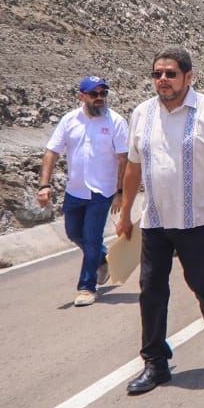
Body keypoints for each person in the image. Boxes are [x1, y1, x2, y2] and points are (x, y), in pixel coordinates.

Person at [117, 47, 204, 395]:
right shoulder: (142, 113)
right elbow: (133, 167)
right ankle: (155, 361)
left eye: (170, 74)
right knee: (151, 291)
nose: (163, 80)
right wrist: (126, 213)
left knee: (201, 282)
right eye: (157, 74)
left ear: (188, 77)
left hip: (199, 220)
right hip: (155, 219)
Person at [38, 75, 129, 306]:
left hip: (102, 191)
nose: (100, 98)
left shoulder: (115, 121)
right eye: (94, 94)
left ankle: (87, 287)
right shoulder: (69, 120)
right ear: (82, 96)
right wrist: (44, 185)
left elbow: (124, 158)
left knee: (91, 236)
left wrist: (120, 192)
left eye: (103, 94)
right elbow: (51, 152)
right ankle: (101, 258)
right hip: (75, 190)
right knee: (73, 233)